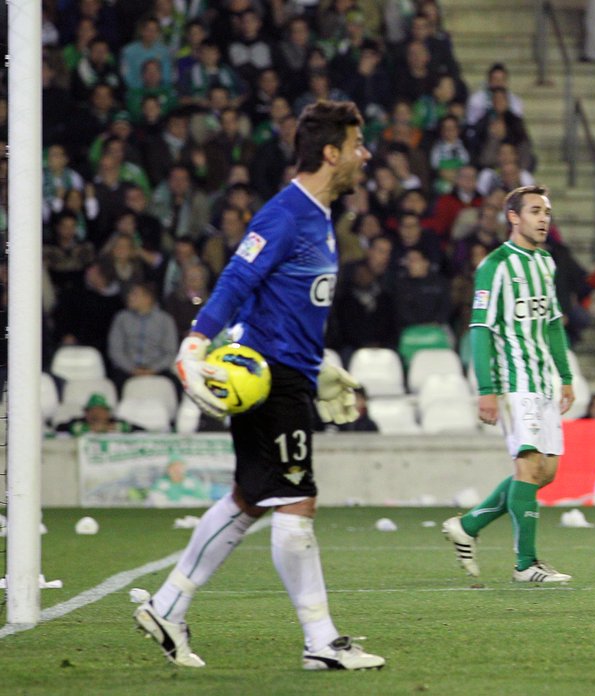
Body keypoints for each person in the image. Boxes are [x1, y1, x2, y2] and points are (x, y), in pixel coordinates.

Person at [132, 101, 384, 671]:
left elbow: (290, 303)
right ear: (331, 153)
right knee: (297, 502)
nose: (364, 155)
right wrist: (196, 342)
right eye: (358, 144)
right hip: (267, 377)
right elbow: (237, 277)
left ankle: (167, 605)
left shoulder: (319, 214)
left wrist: (316, 367)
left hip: (289, 371)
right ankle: (320, 640)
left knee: (250, 498)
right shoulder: (286, 212)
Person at [441, 185, 575, 584]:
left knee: (543, 473)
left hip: (542, 381)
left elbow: (552, 323)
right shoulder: (494, 266)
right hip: (513, 381)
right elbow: (480, 329)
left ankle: (468, 526)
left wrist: (565, 376)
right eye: (535, 211)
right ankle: (526, 564)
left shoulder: (546, 263)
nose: (544, 218)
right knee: (528, 467)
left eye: (546, 211)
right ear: (513, 217)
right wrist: (486, 388)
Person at [55, 392, 139, 436]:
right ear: (86, 413)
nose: (97, 414)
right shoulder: (78, 421)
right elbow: (59, 428)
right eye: (93, 410)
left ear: (108, 413)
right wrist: (87, 428)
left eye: (101, 411)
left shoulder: (115, 422)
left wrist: (112, 428)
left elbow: (139, 429)